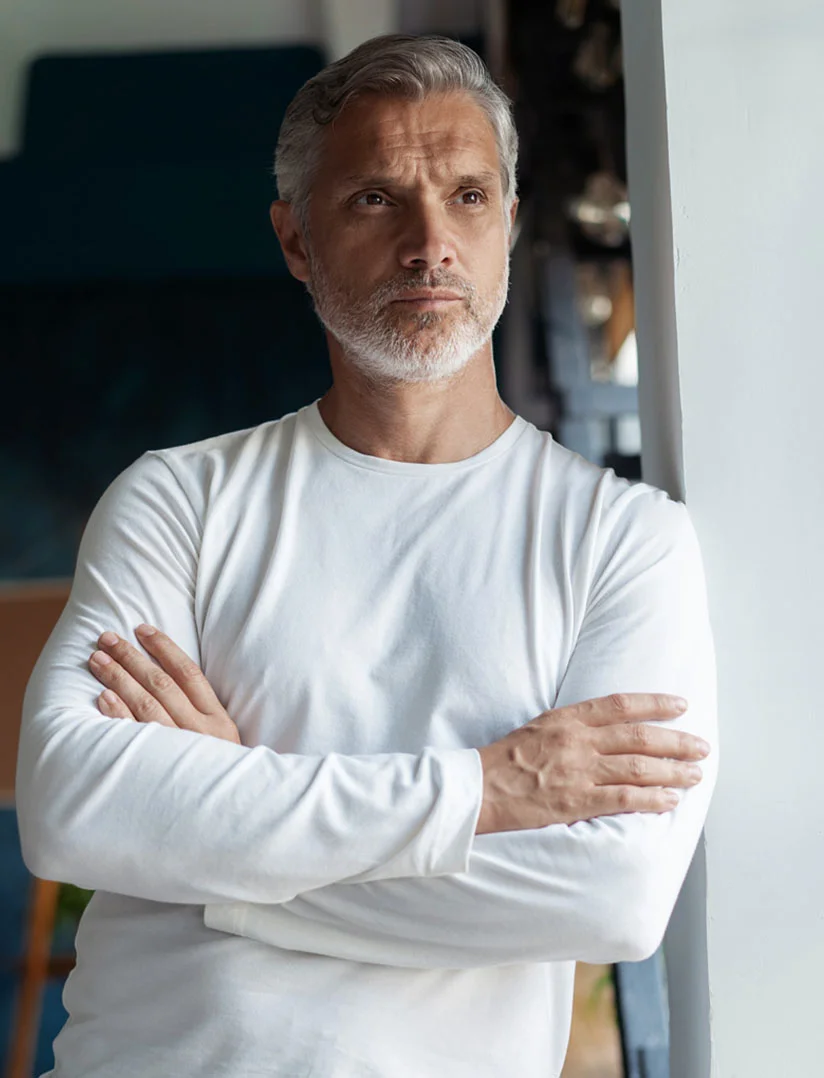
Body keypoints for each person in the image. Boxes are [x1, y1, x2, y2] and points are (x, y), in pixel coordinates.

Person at [17, 34, 717, 1078]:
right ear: (295, 238)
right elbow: (74, 806)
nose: (429, 242)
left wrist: (229, 849)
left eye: (468, 196)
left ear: (510, 225)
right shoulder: (178, 498)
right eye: (375, 199)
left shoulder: (627, 542)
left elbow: (609, 897)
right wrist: (484, 790)